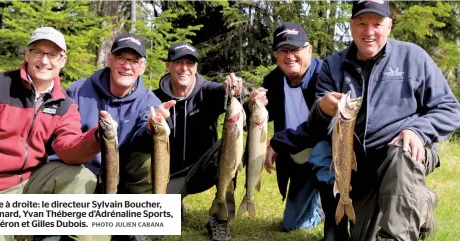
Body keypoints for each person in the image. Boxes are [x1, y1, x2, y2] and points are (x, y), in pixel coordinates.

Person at [308, 1, 460, 241]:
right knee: (365, 236)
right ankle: (421, 205)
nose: (369, 32)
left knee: (403, 150)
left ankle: (399, 230)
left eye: (377, 24)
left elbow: (451, 108)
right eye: (361, 24)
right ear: (351, 26)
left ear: (389, 26)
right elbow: (315, 128)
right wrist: (322, 109)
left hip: (404, 155)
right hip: (362, 169)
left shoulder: (413, 57)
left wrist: (417, 130)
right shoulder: (333, 66)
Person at [0, 26, 113, 241]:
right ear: (27, 54)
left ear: (62, 60)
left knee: (81, 177)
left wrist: (97, 136)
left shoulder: (65, 104)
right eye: (38, 52)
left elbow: (69, 150)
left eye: (53, 54)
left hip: (31, 184)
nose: (45, 61)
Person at [48, 33, 175, 241]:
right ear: (109, 60)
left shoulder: (149, 100)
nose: (127, 65)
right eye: (121, 58)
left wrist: (154, 126)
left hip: (122, 181)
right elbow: (62, 139)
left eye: (134, 61)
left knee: (147, 158)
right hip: (82, 177)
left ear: (142, 67)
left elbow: (142, 137)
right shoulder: (78, 90)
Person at [247, 22, 349, 241]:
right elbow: (261, 119)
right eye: (283, 50)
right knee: (290, 224)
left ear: (309, 50)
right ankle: (319, 206)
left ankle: (334, 228)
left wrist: (278, 141)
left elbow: (320, 128)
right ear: (276, 54)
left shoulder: (325, 74)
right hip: (297, 157)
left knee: (322, 151)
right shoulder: (273, 80)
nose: (289, 56)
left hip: (328, 153)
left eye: (295, 49)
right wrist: (254, 107)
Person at [153, 42, 242, 241]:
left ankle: (219, 218)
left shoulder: (209, 91)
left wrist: (234, 89)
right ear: (168, 66)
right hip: (170, 176)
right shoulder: (154, 98)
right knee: (155, 227)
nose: (184, 68)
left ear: (196, 67)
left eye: (190, 63)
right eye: (178, 62)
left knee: (229, 145)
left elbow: (229, 94)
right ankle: (175, 205)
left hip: (205, 170)